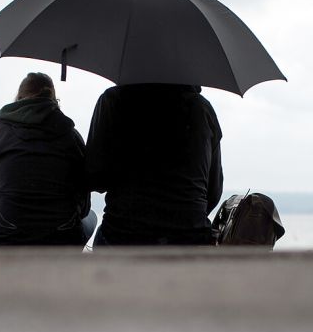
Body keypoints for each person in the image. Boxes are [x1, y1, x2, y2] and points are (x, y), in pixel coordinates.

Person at [0, 72, 95, 246]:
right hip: (60, 240)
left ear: (18, 99)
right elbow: (84, 208)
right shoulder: (72, 137)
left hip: (3, 240)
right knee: (91, 217)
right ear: (54, 101)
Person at [85, 84, 223, 246]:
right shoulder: (203, 109)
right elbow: (213, 192)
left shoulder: (113, 99)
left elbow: (94, 177)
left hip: (122, 235)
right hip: (190, 238)